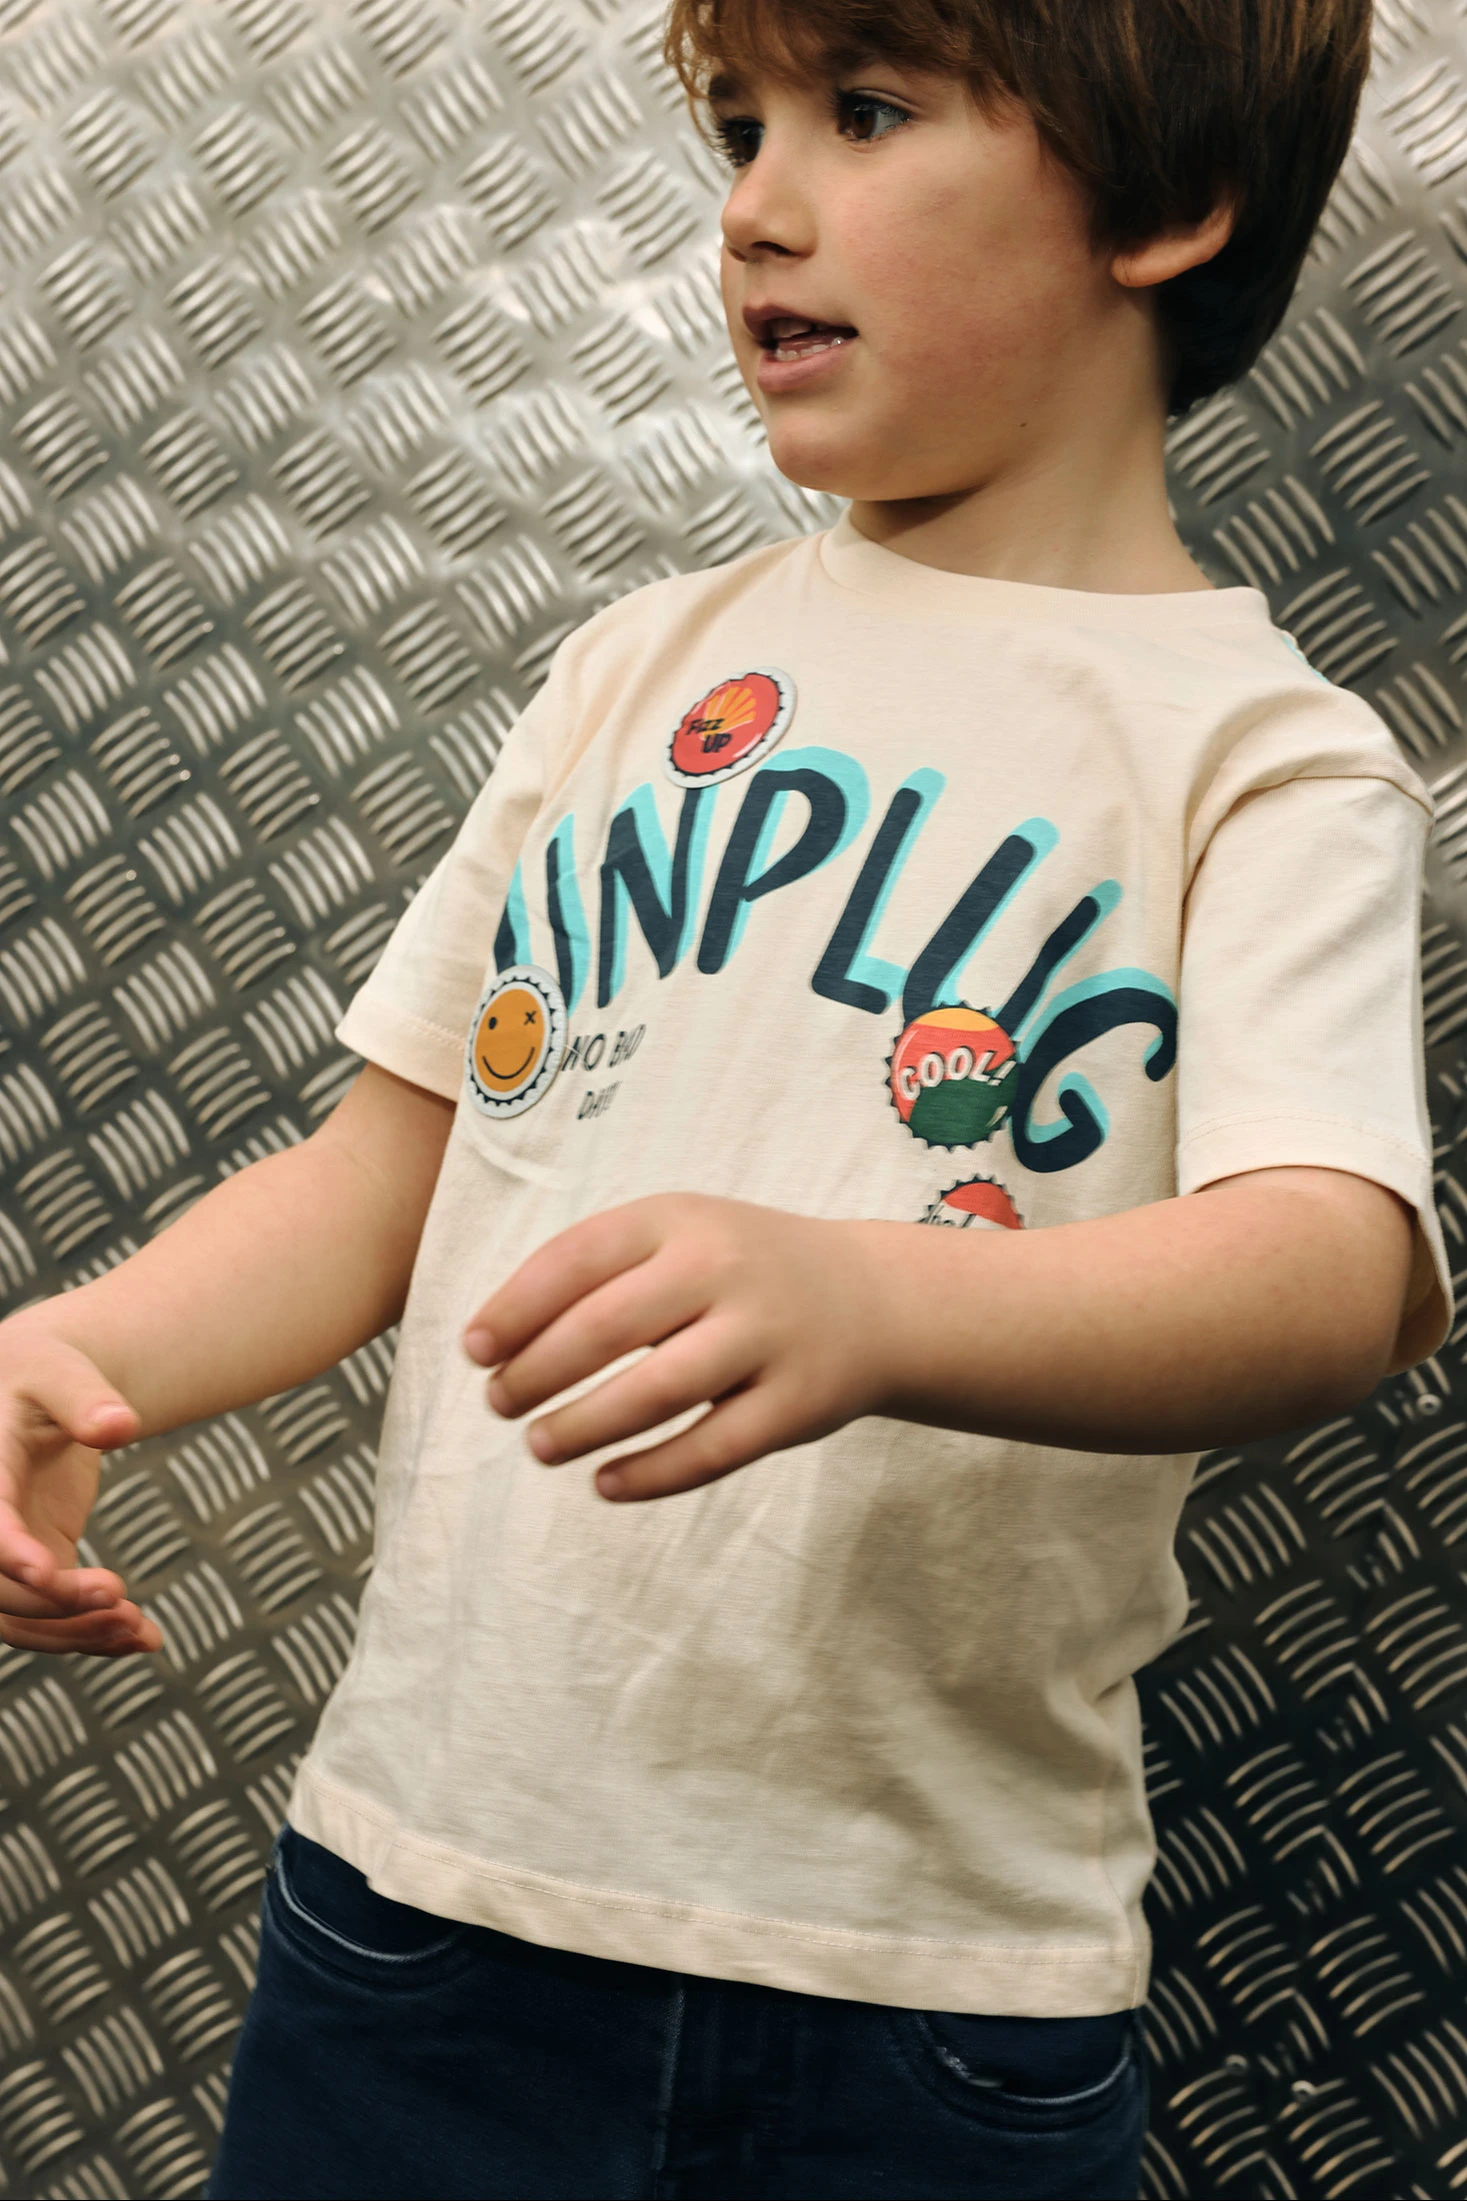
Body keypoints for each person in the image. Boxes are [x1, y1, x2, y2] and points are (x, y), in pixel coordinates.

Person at [0, 1, 1445, 2195]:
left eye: (861, 115)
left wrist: (874, 1300)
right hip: (416, 1913)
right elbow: (381, 1176)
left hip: (918, 1993)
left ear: (1166, 204)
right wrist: (74, 1351)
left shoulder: (1262, 758)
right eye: (739, 128)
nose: (755, 207)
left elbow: (1328, 1272)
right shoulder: (634, 670)